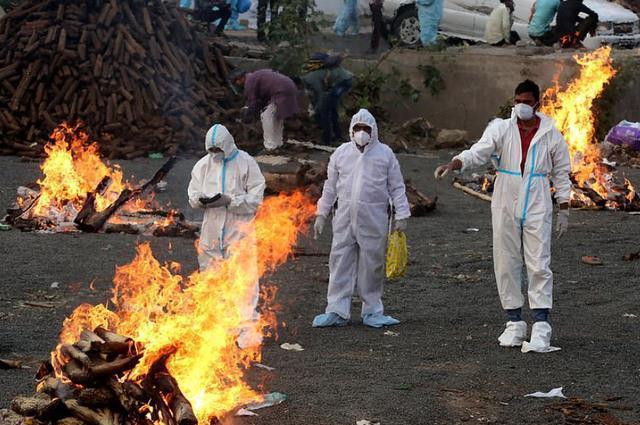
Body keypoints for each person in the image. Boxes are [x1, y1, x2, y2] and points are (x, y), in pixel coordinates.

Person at [434, 80, 571, 353]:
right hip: (506, 195)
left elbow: (561, 171)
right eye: (517, 100)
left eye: (527, 101)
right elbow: (479, 151)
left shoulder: (551, 133)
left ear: (538, 103)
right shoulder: (501, 128)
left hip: (538, 196)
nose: (521, 105)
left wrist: (564, 206)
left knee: (538, 261)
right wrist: (456, 162)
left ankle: (541, 325)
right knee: (506, 259)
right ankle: (514, 322)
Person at [312, 109, 411, 329]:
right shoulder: (341, 153)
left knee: (372, 265)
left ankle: (373, 310)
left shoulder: (385, 154)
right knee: (339, 263)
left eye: (366, 129)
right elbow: (330, 186)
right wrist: (321, 213)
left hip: (374, 219)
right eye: (357, 129)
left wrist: (402, 214)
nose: (361, 133)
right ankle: (336, 309)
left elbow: (396, 186)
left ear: (373, 130)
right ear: (351, 130)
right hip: (344, 218)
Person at [187, 124, 266, 348]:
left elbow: (255, 199)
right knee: (211, 279)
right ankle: (218, 328)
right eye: (211, 150)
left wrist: (231, 201)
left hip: (238, 231)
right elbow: (192, 194)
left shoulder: (246, 163)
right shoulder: (203, 165)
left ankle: (247, 330)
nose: (215, 154)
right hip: (211, 231)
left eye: (218, 149)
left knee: (244, 279)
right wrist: (202, 200)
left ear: (228, 145)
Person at [232, 69, 299, 152]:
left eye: (236, 81)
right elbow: (262, 99)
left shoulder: (249, 81)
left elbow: (253, 101)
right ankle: (278, 143)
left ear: (241, 78)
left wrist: (248, 114)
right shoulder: (256, 76)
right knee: (277, 117)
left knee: (266, 116)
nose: (237, 84)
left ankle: (269, 146)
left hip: (280, 91)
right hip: (289, 86)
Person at [302, 54, 353, 146]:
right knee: (332, 109)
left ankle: (327, 139)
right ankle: (337, 136)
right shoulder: (315, 75)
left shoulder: (310, 79)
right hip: (345, 80)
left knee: (324, 111)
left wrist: (315, 110)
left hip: (343, 82)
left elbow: (321, 95)